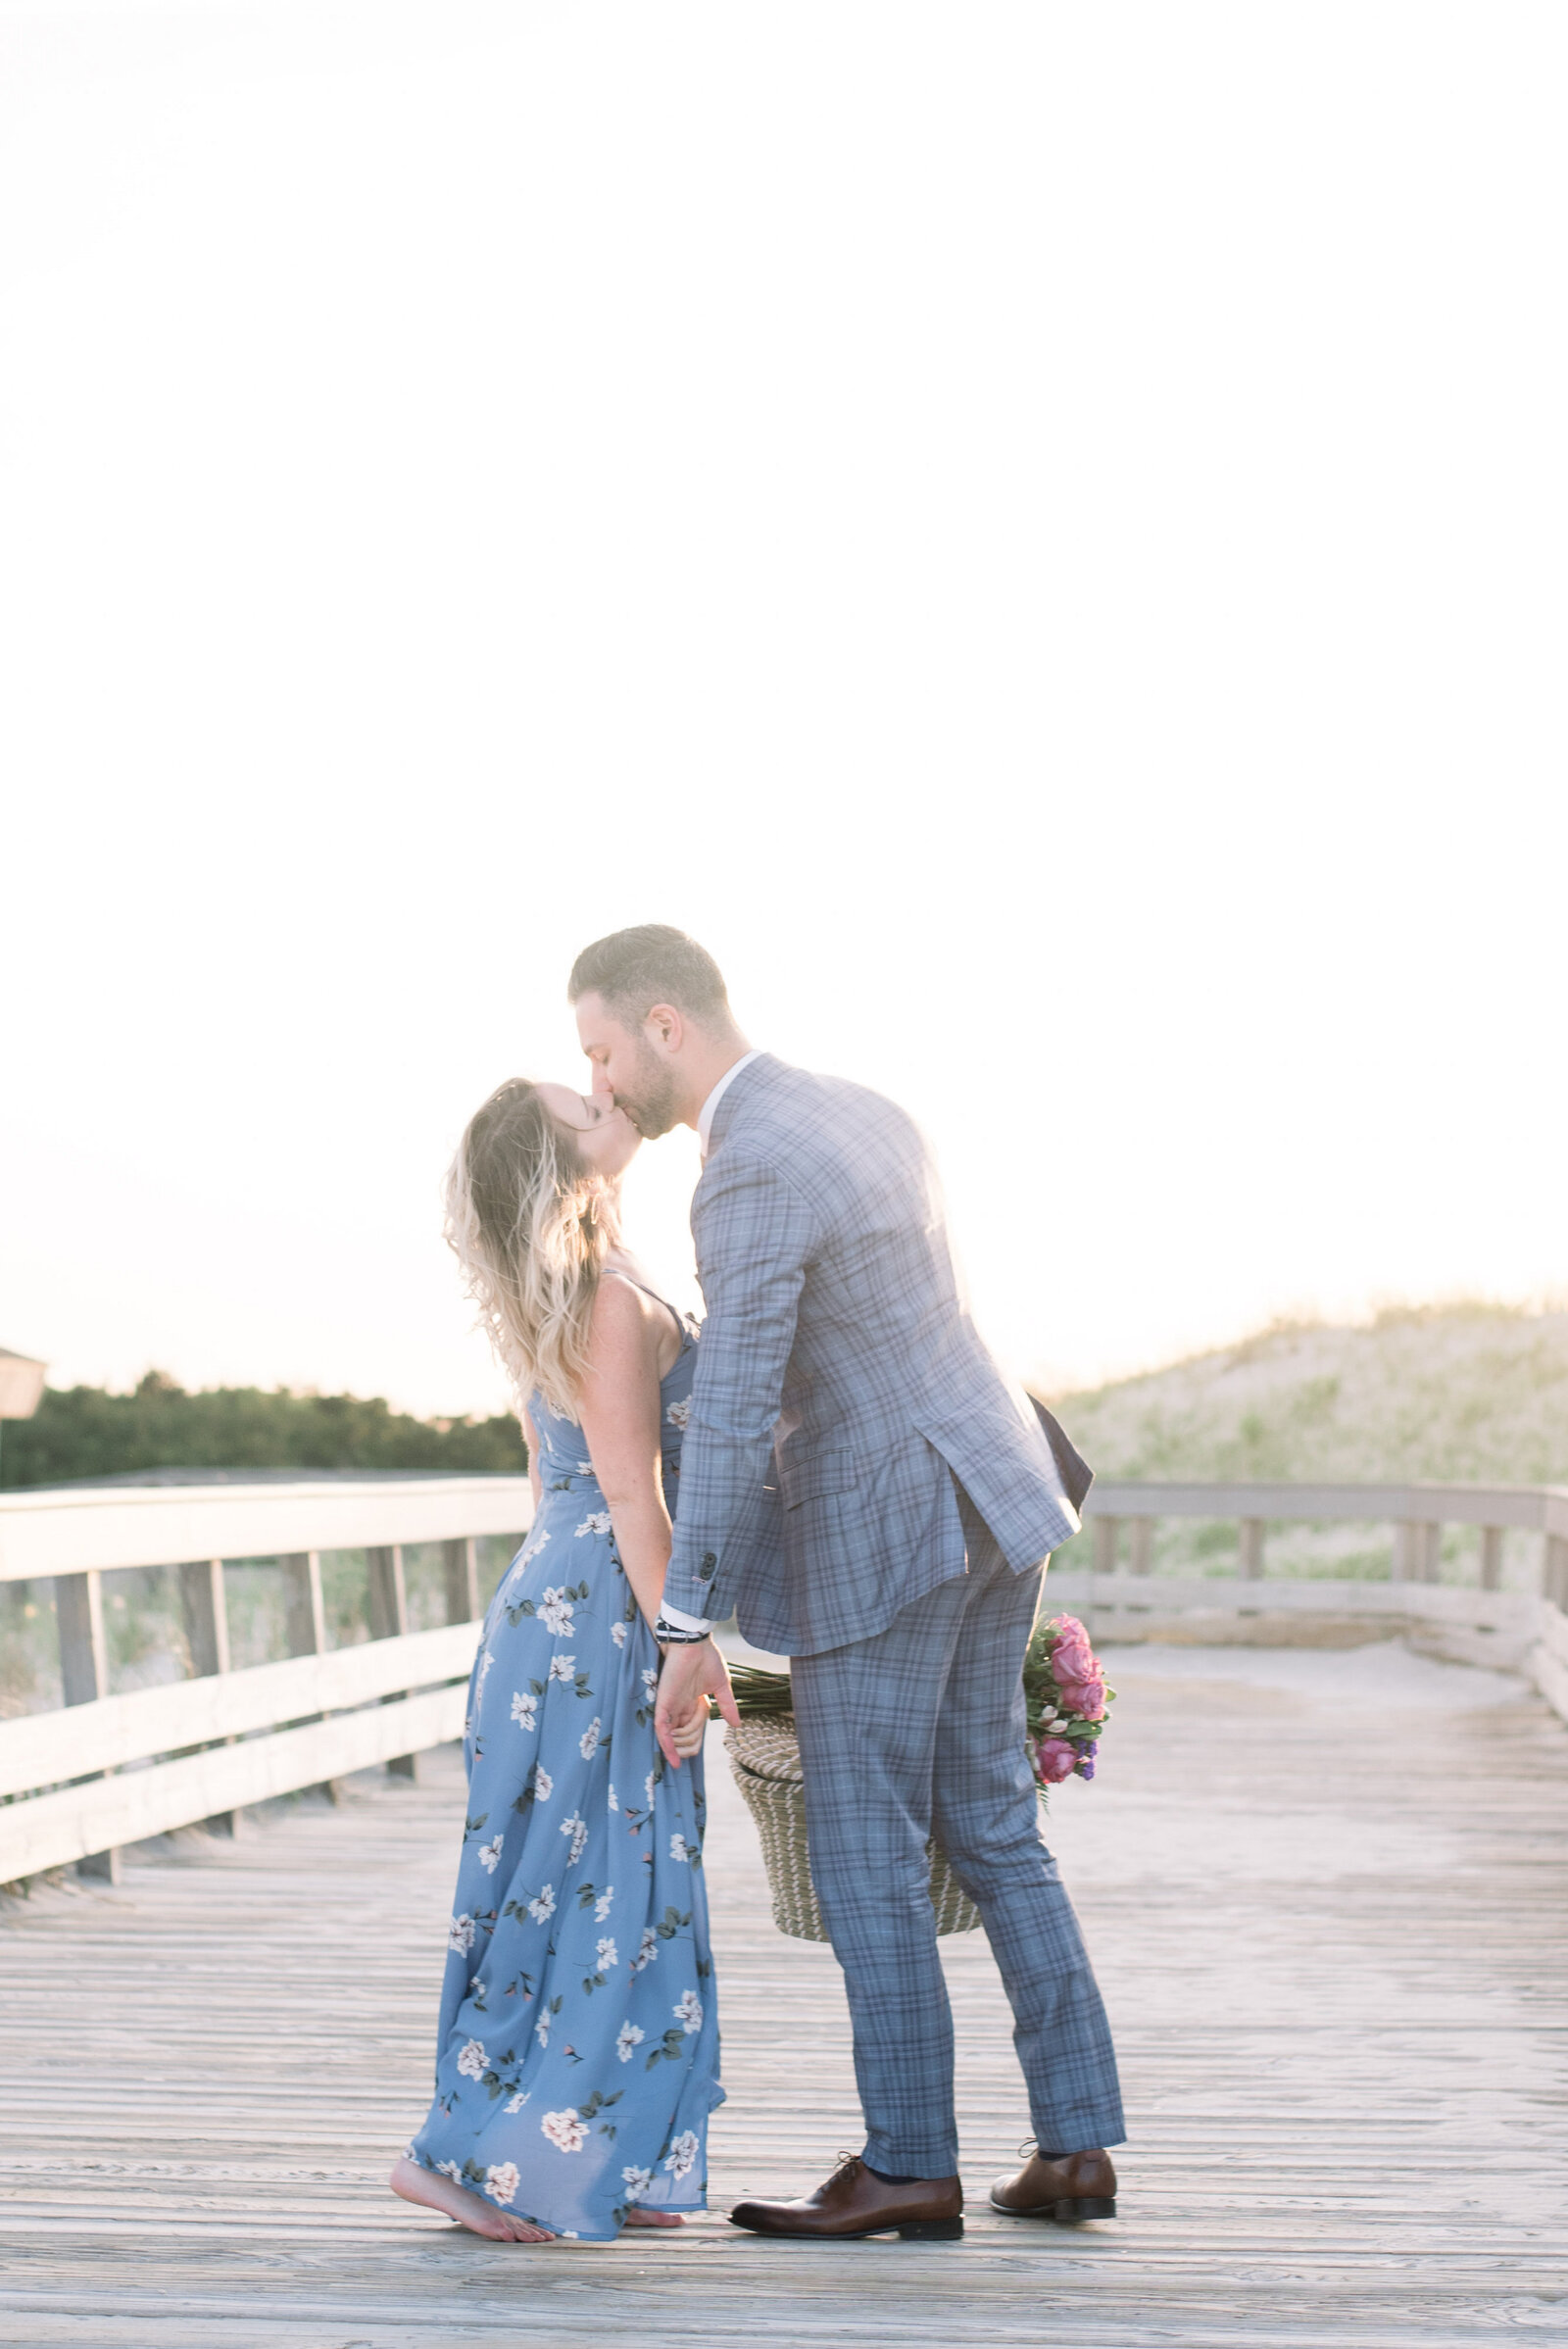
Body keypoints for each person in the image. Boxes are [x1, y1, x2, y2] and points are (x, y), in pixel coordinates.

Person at [569, 924, 1124, 2242]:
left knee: (864, 1837)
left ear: (664, 1024)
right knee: (992, 1823)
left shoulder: (746, 1167)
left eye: (600, 1049)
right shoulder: (864, 1109)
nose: (599, 1083)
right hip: (996, 1487)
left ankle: (907, 2163)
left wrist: (686, 1617)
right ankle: (1077, 2143)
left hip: (891, 1525)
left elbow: (747, 1389)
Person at [390, 1076, 722, 2243]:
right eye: (575, 1106)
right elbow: (632, 1493)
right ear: (559, 1166)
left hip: (555, 1603)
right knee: (600, 1883)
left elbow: (554, 1484)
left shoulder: (571, 1293)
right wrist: (687, 1633)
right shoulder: (610, 1301)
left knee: (577, 1880)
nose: (602, 1098)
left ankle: (578, 2154)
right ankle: (461, 2154)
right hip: (599, 1614)